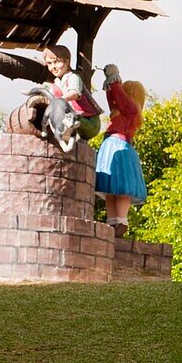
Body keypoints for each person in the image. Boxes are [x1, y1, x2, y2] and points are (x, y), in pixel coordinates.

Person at [95, 64, 148, 238]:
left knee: (121, 187)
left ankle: (121, 221)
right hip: (111, 144)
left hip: (119, 145)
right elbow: (114, 98)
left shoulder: (130, 108)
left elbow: (119, 96)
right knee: (111, 188)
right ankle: (112, 221)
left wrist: (115, 80)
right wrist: (110, 84)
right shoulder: (120, 109)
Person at [42, 45, 102, 149]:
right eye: (49, 63)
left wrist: (60, 100)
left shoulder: (73, 77)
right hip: (74, 120)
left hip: (90, 121)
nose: (53, 67)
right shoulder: (56, 84)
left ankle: (65, 137)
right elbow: (50, 99)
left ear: (67, 61)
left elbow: (74, 93)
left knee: (66, 118)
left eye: (56, 62)